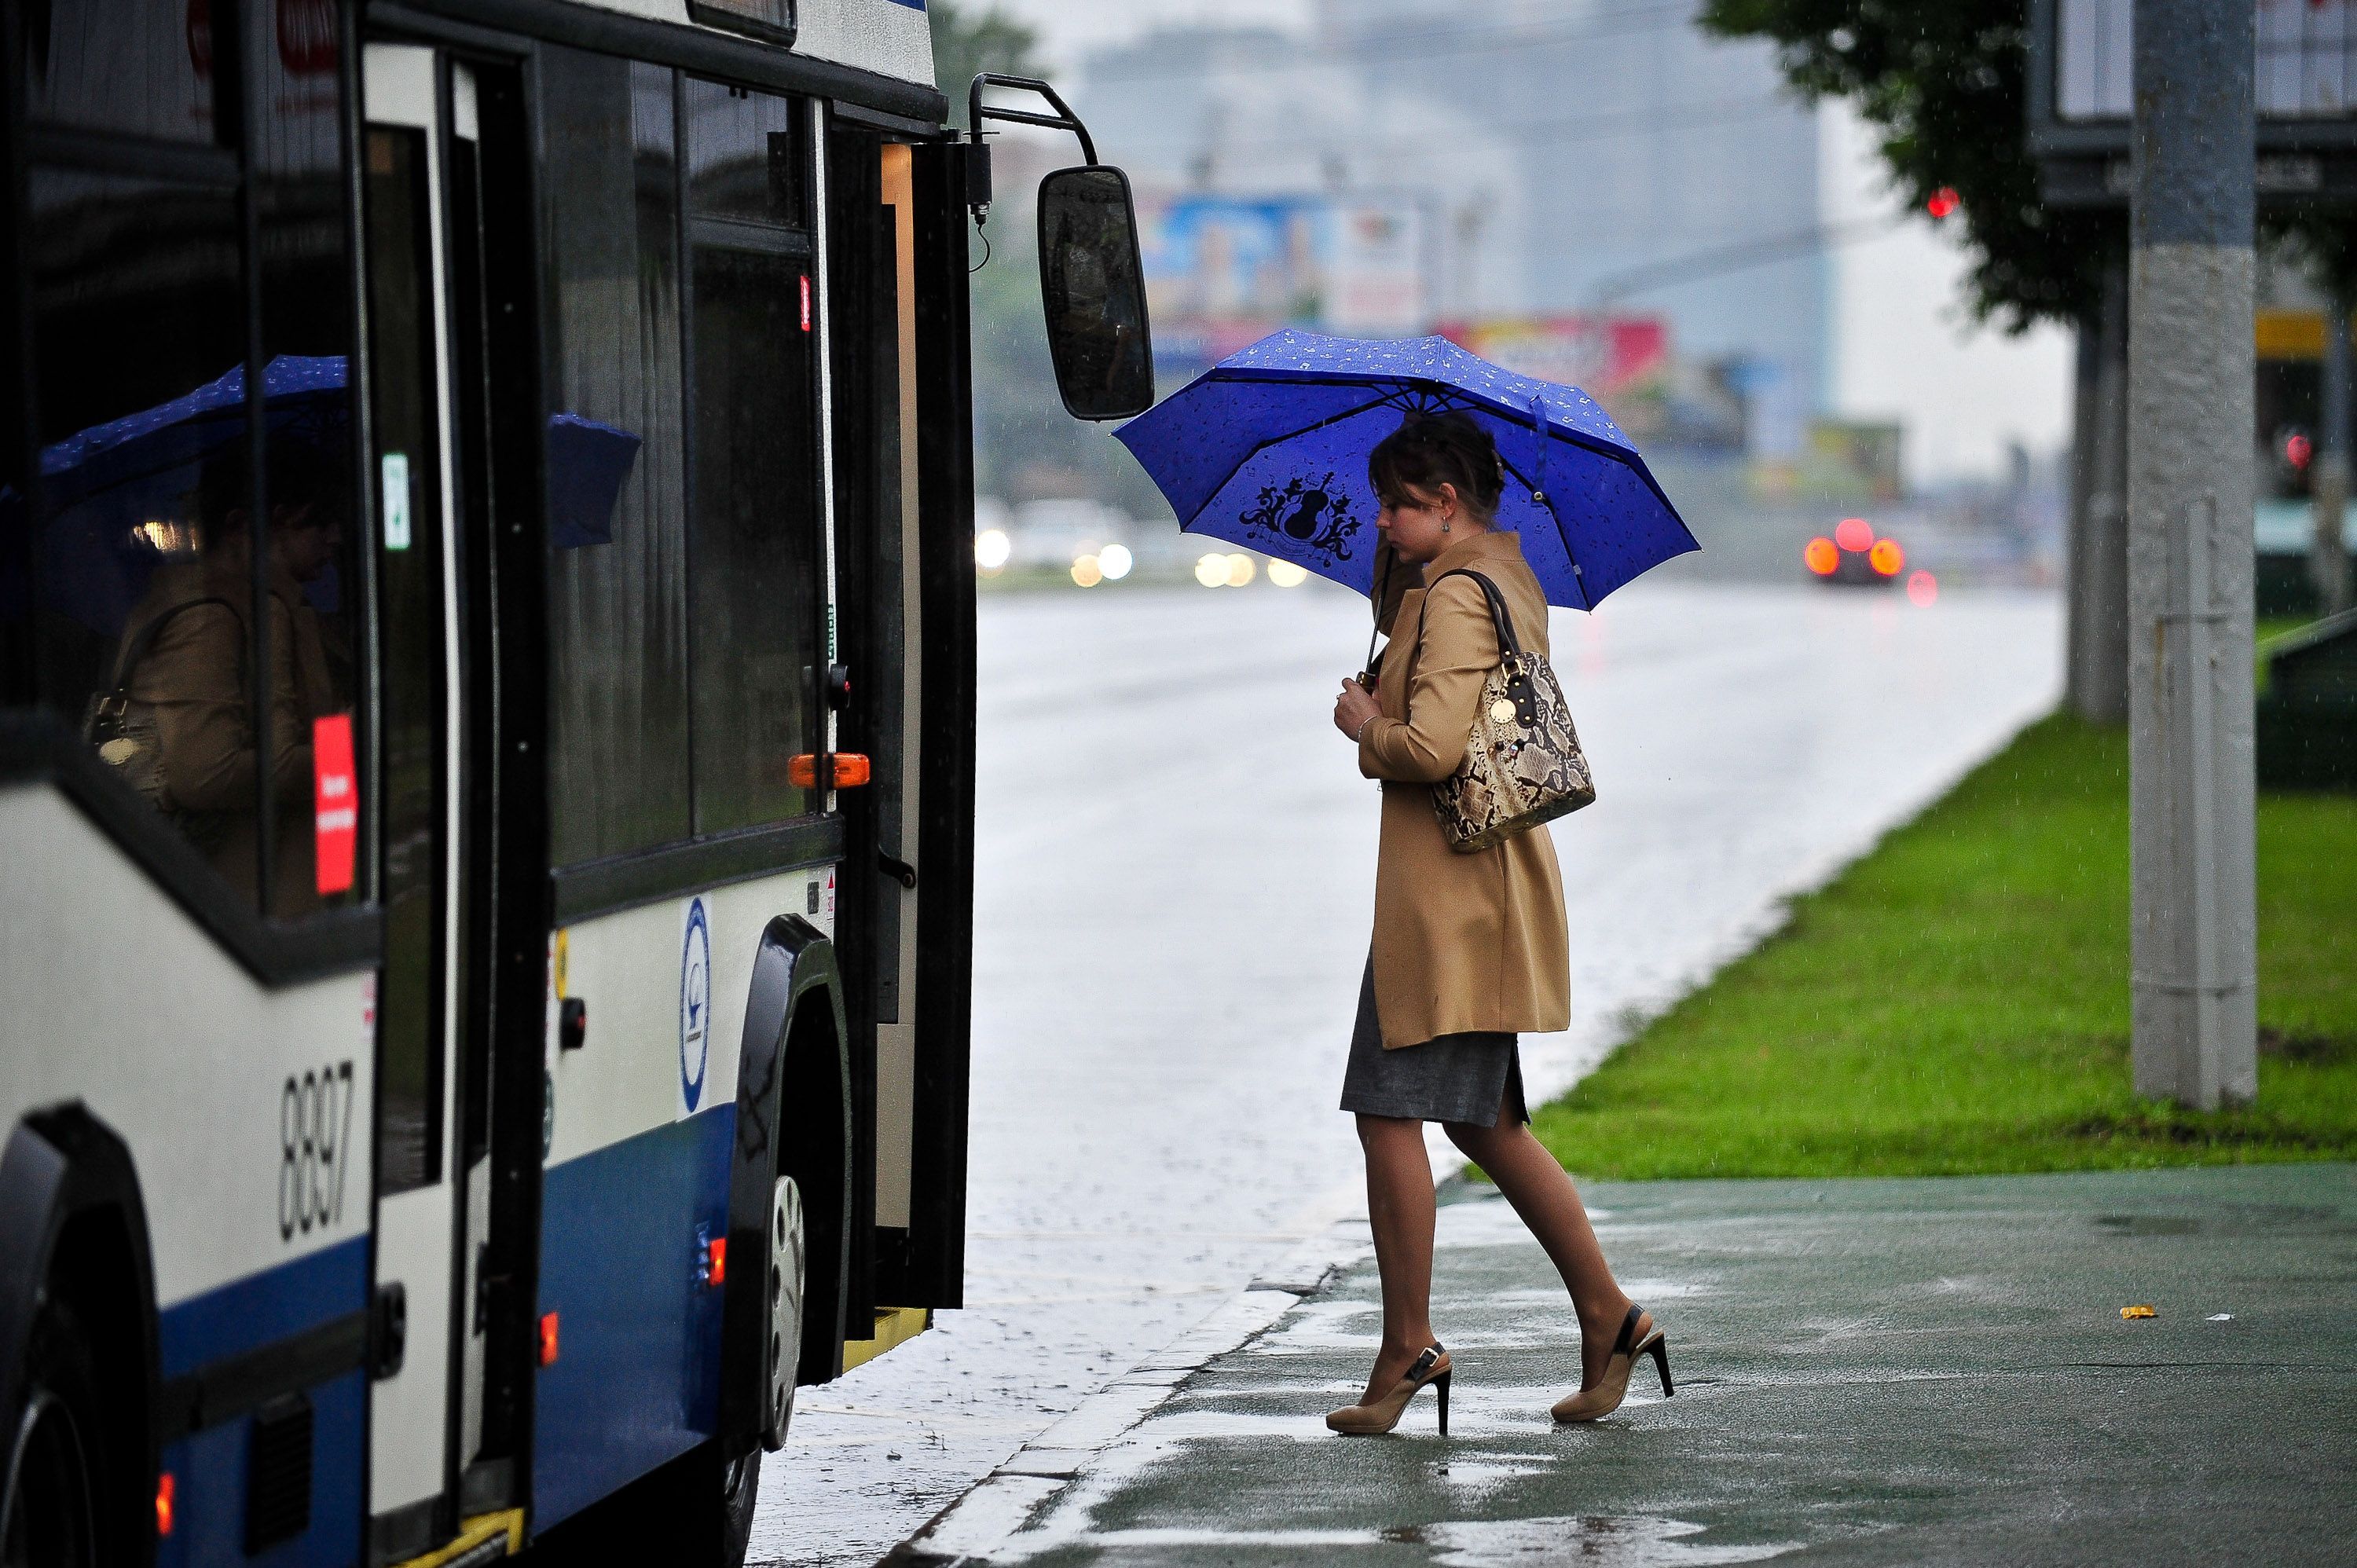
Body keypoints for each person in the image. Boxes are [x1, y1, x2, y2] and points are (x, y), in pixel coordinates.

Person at [1325, 411, 1670, 1437]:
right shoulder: (1492, 578)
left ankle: (1408, 1346)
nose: (1381, 523)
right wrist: (1399, 622)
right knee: (1483, 1123)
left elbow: (1429, 748)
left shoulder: (1458, 595)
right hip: (1476, 899)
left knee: (1388, 1112)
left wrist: (1362, 724)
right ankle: (1609, 1316)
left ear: (1443, 502)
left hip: (1448, 909)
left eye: (1395, 505)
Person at [107, 441, 347, 913]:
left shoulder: (264, 604)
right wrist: (352, 747)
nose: (334, 537)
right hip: (248, 902)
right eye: (315, 520)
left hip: (270, 888)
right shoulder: (215, 616)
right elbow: (205, 775)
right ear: (241, 526)